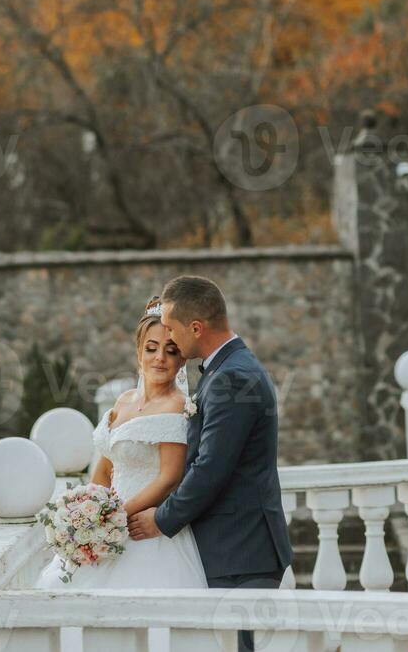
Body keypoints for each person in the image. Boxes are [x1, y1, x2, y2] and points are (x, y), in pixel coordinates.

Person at [128, 275, 293, 652]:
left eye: (171, 329)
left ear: (196, 328)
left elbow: (210, 469)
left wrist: (162, 519)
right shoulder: (228, 368)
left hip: (241, 550)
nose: (169, 338)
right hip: (237, 546)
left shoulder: (231, 378)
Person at [36, 297, 209, 593]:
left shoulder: (177, 406)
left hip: (145, 529)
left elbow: (169, 477)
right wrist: (86, 514)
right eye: (151, 348)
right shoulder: (124, 400)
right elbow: (105, 465)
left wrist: (113, 516)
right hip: (109, 524)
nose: (160, 358)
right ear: (139, 353)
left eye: (171, 351)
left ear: (181, 359)